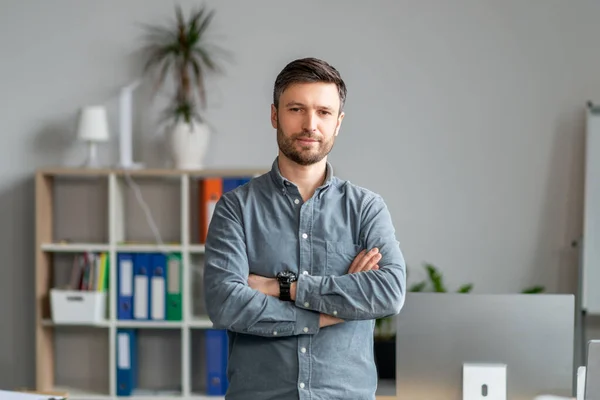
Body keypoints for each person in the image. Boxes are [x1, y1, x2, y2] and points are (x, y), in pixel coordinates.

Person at [203, 57, 406, 400]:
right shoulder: (236, 208)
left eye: (324, 112)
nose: (310, 124)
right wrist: (332, 313)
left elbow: (388, 293)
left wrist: (282, 287)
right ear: (274, 115)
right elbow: (225, 303)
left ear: (338, 122)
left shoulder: (366, 209)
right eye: (296, 109)